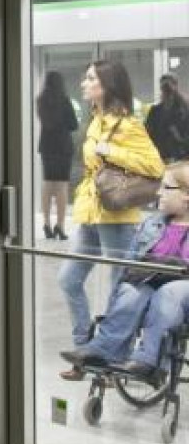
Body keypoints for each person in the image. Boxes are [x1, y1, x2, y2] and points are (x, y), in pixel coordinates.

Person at [57, 60, 164, 380]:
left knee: (120, 288)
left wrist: (110, 150)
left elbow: (155, 166)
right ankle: (85, 349)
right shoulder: (95, 120)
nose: (83, 83)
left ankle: (114, 352)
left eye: (90, 78)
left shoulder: (127, 125)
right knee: (68, 279)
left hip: (117, 214)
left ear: (107, 85)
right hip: (91, 211)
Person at [59, 160, 189, 383]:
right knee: (131, 291)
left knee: (168, 293)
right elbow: (130, 263)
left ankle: (150, 361)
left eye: (166, 188)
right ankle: (102, 350)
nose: (158, 193)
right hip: (150, 277)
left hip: (180, 287)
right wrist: (124, 285)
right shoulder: (152, 224)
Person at [36, 71, 78, 241]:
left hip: (47, 146)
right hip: (62, 147)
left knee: (47, 184)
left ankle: (46, 223)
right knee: (61, 186)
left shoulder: (40, 101)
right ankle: (60, 226)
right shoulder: (64, 101)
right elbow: (73, 125)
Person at [145, 74, 189, 163]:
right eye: (164, 88)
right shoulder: (154, 111)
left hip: (180, 158)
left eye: (169, 88)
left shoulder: (185, 110)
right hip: (159, 158)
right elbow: (147, 134)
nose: (167, 91)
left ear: (176, 87)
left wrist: (179, 138)